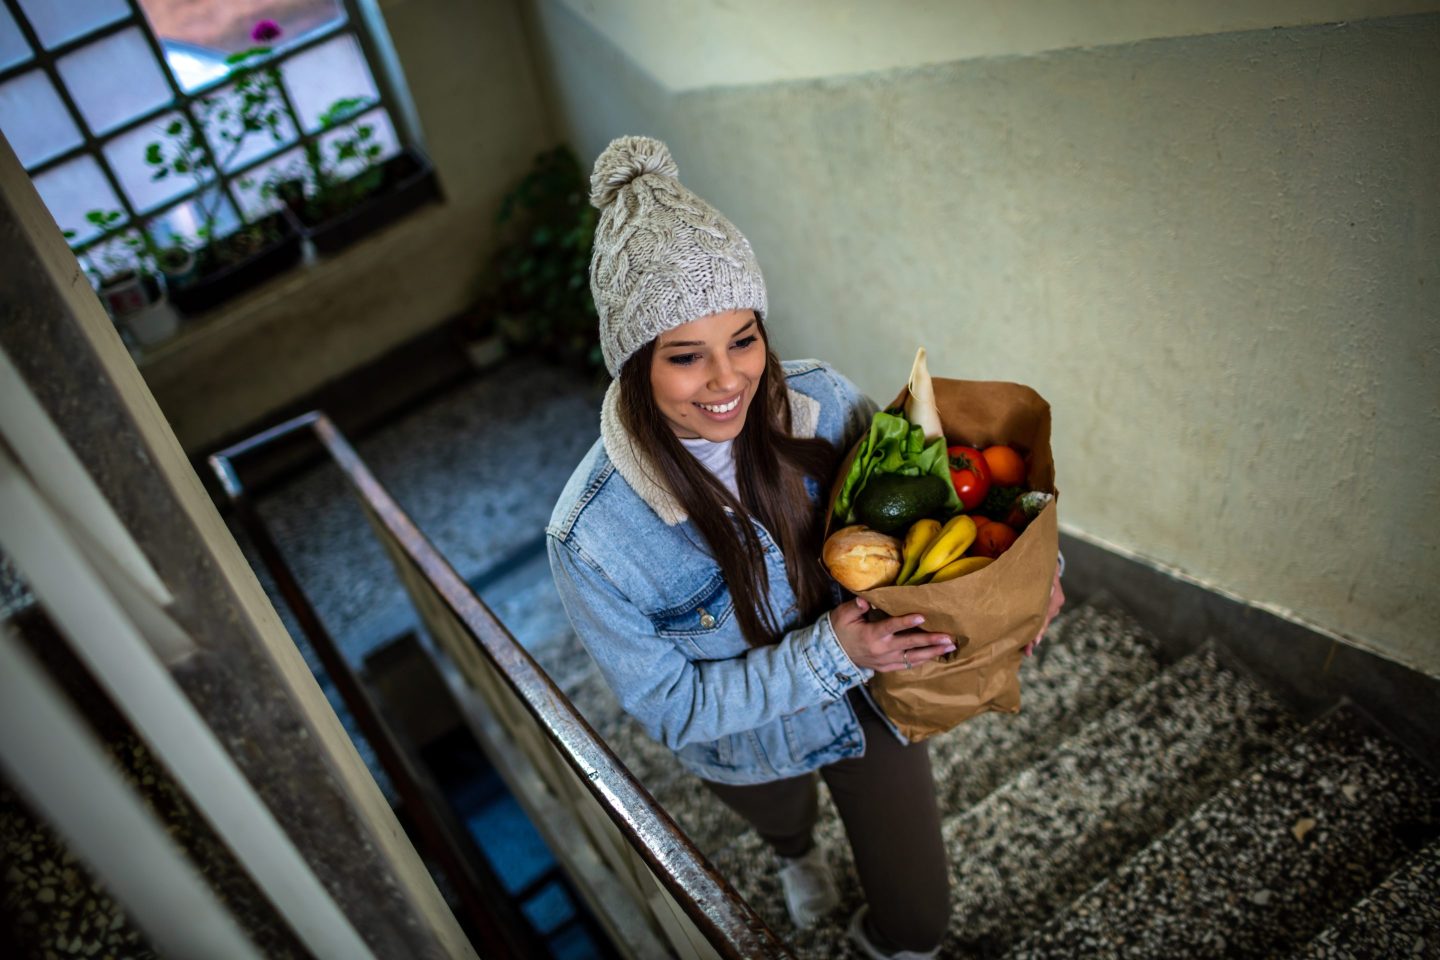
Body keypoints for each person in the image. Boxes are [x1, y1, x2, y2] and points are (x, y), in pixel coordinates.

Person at [547, 135, 1061, 959]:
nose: (727, 380)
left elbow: (943, 503)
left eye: (743, 339)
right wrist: (828, 652)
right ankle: (796, 855)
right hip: (749, 747)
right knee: (783, 820)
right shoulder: (592, 539)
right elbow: (674, 709)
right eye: (686, 356)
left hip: (869, 710)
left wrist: (1033, 580)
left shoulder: (822, 399)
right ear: (633, 366)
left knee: (921, 926)